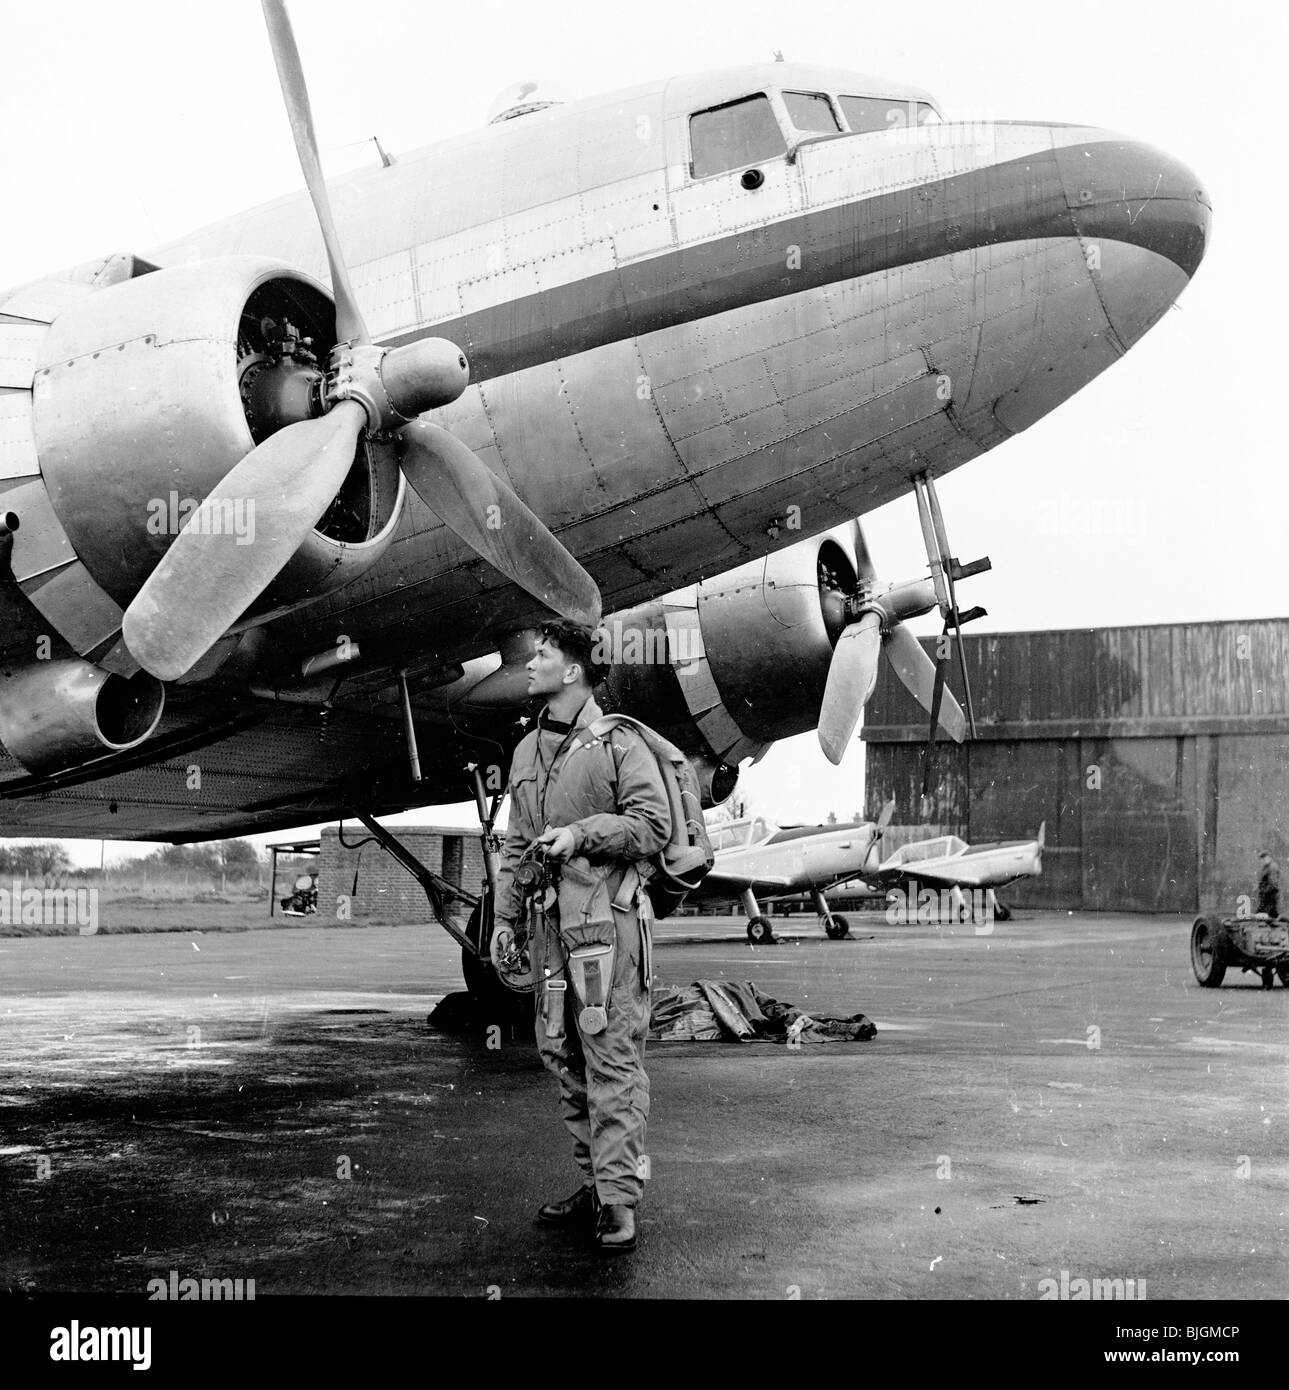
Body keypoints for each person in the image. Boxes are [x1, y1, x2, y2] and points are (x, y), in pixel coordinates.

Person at [490, 620, 670, 1253]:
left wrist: (580, 835)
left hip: (608, 929)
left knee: (610, 1057)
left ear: (572, 671)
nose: (529, 663)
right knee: (560, 1055)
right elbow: (515, 847)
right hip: (547, 930)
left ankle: (619, 1201)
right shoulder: (524, 751)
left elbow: (653, 826)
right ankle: (594, 1185)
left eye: (541, 655)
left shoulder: (620, 745)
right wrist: (504, 921)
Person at [1255, 850, 1280, 919]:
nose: (1262, 861)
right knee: (1272, 915)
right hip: (1267, 897)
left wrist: (1264, 891)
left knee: (1261, 915)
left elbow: (1273, 884)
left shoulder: (1272, 867)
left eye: (1263, 858)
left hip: (1269, 897)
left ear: (1268, 857)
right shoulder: (1267, 867)